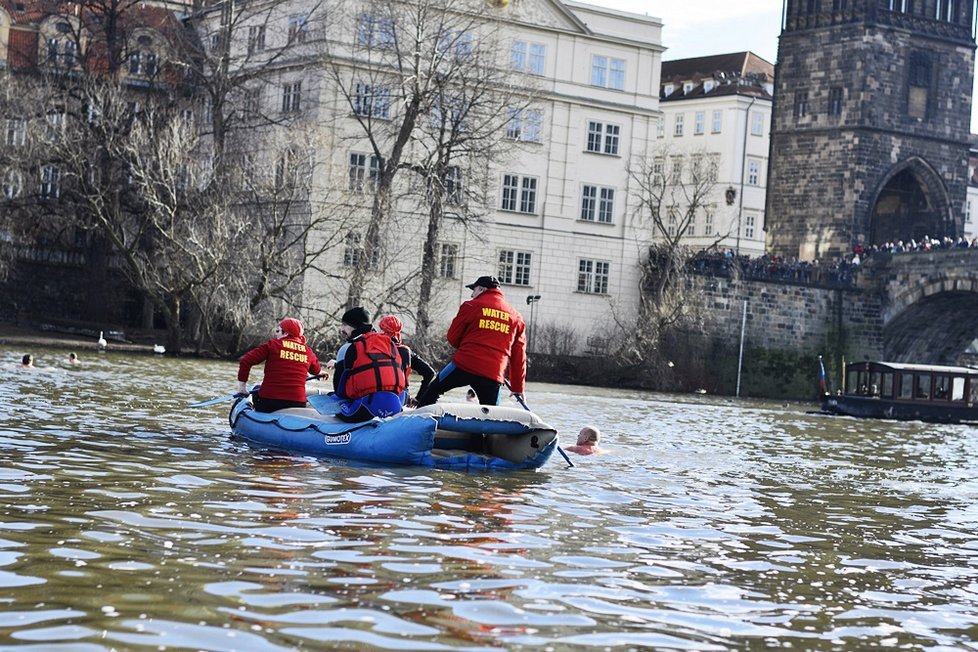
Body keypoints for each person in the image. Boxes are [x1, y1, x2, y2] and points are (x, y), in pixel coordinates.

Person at [415, 275, 527, 407]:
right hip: (493, 372)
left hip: (464, 364)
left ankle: (420, 417)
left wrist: (467, 346)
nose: (472, 295)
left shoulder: (470, 306)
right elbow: (519, 355)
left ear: (482, 289)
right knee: (492, 412)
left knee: (433, 390)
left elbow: (452, 337)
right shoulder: (516, 317)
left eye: (473, 291)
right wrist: (518, 387)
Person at [331, 307, 409, 422]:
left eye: (344, 325)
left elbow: (339, 391)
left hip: (365, 411)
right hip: (395, 408)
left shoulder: (347, 348)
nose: (341, 329)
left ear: (354, 326)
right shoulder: (389, 343)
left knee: (333, 398)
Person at [237, 317, 322, 413]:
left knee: (257, 388)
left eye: (278, 331)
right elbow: (316, 370)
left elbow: (245, 361)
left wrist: (242, 388)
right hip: (297, 403)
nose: (276, 334)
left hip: (269, 402)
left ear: (285, 333)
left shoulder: (272, 345)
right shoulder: (308, 351)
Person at [377, 315, 435, 406]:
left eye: (380, 329)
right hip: (401, 398)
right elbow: (430, 373)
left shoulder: (373, 349)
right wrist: (418, 399)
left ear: (383, 331)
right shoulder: (406, 351)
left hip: (377, 396)